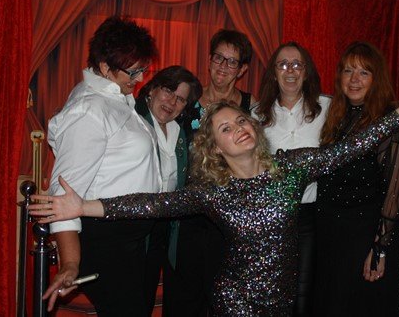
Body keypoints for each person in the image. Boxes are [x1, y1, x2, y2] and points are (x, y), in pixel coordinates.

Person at [31, 77, 399, 315]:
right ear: (216, 149)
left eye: (242, 121)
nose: (239, 129)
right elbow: (152, 203)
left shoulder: (291, 168)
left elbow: (349, 149)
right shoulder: (215, 193)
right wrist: (82, 206)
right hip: (234, 305)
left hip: (282, 303)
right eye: (226, 129)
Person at [43, 16, 160, 314]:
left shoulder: (115, 97)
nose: (139, 79)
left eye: (143, 69)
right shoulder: (89, 109)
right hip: (107, 240)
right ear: (105, 67)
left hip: (126, 239)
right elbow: (64, 193)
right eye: (133, 71)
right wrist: (70, 263)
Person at [313, 42, 399, 316]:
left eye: (364, 72)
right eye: (348, 71)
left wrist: (379, 248)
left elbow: (395, 192)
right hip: (329, 234)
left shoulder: (389, 123)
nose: (354, 79)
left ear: (377, 79)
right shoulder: (336, 117)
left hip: (364, 238)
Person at [175, 29, 255, 316]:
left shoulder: (251, 108)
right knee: (185, 301)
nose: (223, 66)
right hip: (189, 216)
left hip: (231, 219)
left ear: (242, 70)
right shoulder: (186, 103)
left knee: (225, 302)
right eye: (219, 58)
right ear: (209, 60)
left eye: (232, 61)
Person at [251, 42, 330, 316]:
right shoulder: (256, 115)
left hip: (310, 216)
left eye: (297, 64)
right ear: (274, 73)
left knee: (303, 294)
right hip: (270, 217)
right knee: (270, 292)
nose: (290, 71)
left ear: (306, 72)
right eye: (283, 64)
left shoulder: (327, 108)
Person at [134, 66, 202, 314]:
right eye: (168, 91)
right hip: (135, 226)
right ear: (152, 89)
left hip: (165, 227)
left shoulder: (177, 131)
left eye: (181, 99)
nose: (172, 102)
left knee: (149, 295)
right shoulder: (133, 121)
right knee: (133, 297)